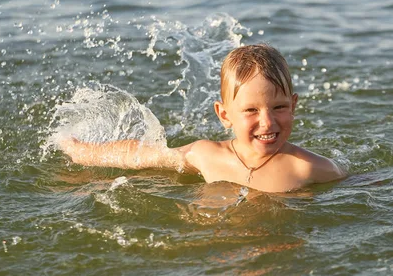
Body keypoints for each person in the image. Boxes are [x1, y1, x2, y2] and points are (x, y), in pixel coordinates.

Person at [60, 44, 346, 193]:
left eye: (279, 107)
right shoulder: (205, 155)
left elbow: (361, 186)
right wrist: (82, 151)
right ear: (224, 115)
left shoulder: (309, 168)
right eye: (251, 110)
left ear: (294, 105)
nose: (268, 122)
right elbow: (141, 156)